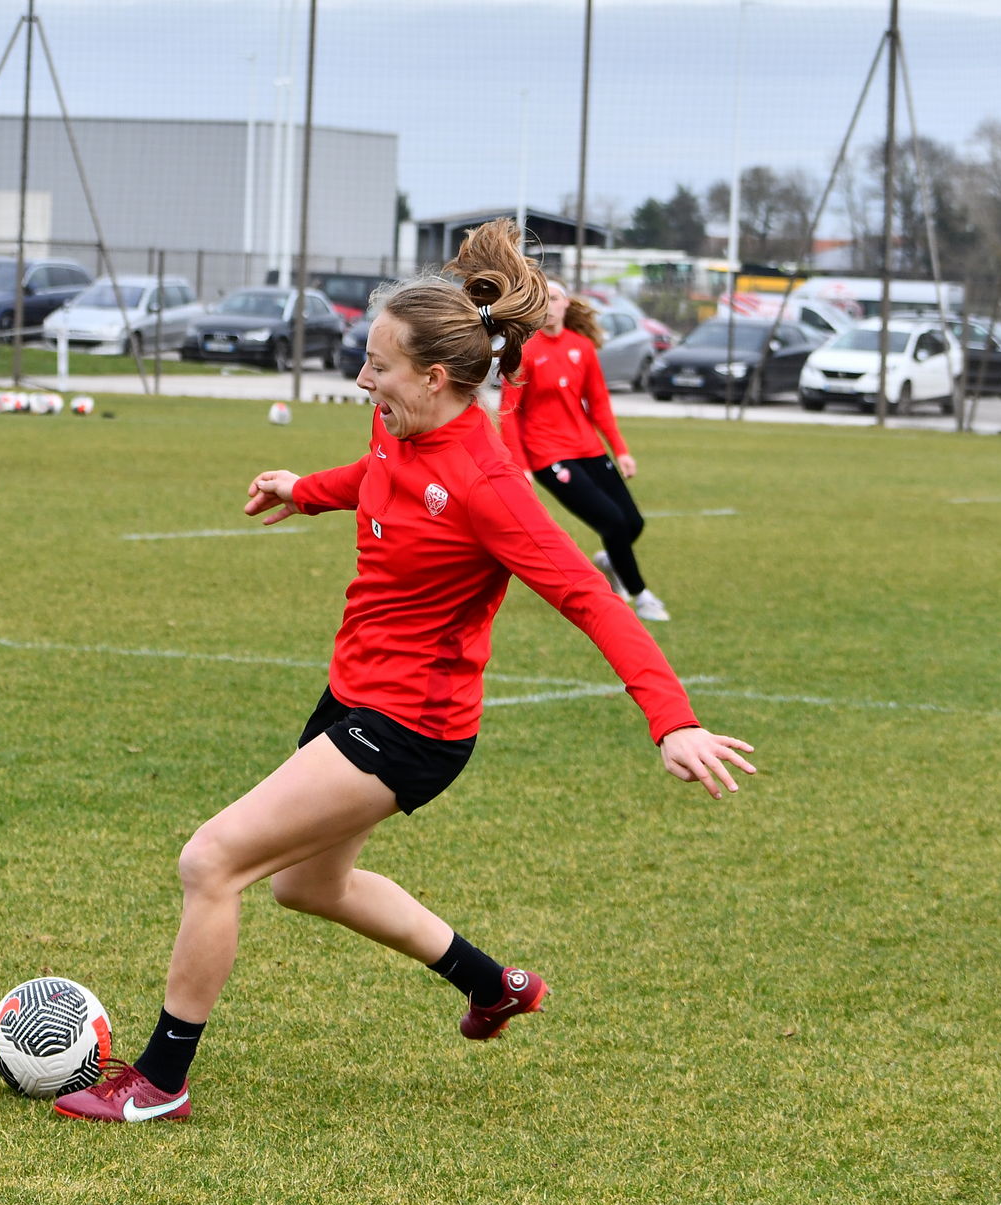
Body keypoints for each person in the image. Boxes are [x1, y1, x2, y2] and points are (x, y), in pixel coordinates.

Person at [54, 219, 756, 1123]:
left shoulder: (490, 485)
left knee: (211, 861)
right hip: (355, 695)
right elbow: (380, 473)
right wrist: (306, 491)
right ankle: (491, 984)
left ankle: (158, 1084)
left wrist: (673, 719)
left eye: (378, 366)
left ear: (433, 377)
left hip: (411, 726)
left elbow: (593, 599)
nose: (363, 379)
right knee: (306, 884)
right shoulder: (400, 421)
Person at [500, 280, 669, 621]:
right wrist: (521, 466)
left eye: (554, 298)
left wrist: (621, 450)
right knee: (613, 522)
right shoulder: (524, 352)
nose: (548, 305)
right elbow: (509, 412)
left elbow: (599, 403)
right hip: (548, 456)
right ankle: (641, 596)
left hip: (588, 448)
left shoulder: (582, 347)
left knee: (632, 523)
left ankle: (611, 559)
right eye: (541, 300)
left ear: (566, 304)